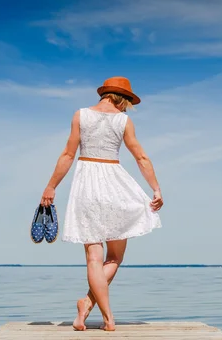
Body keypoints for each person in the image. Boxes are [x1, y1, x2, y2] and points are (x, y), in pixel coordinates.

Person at [39, 76, 163, 332]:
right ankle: (96, 311)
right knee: (114, 257)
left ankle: (95, 311)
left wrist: (51, 186)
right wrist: (155, 188)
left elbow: (67, 155)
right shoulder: (123, 120)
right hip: (116, 185)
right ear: (124, 99)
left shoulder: (80, 115)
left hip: (86, 187)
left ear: (105, 94)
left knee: (93, 259)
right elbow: (141, 156)